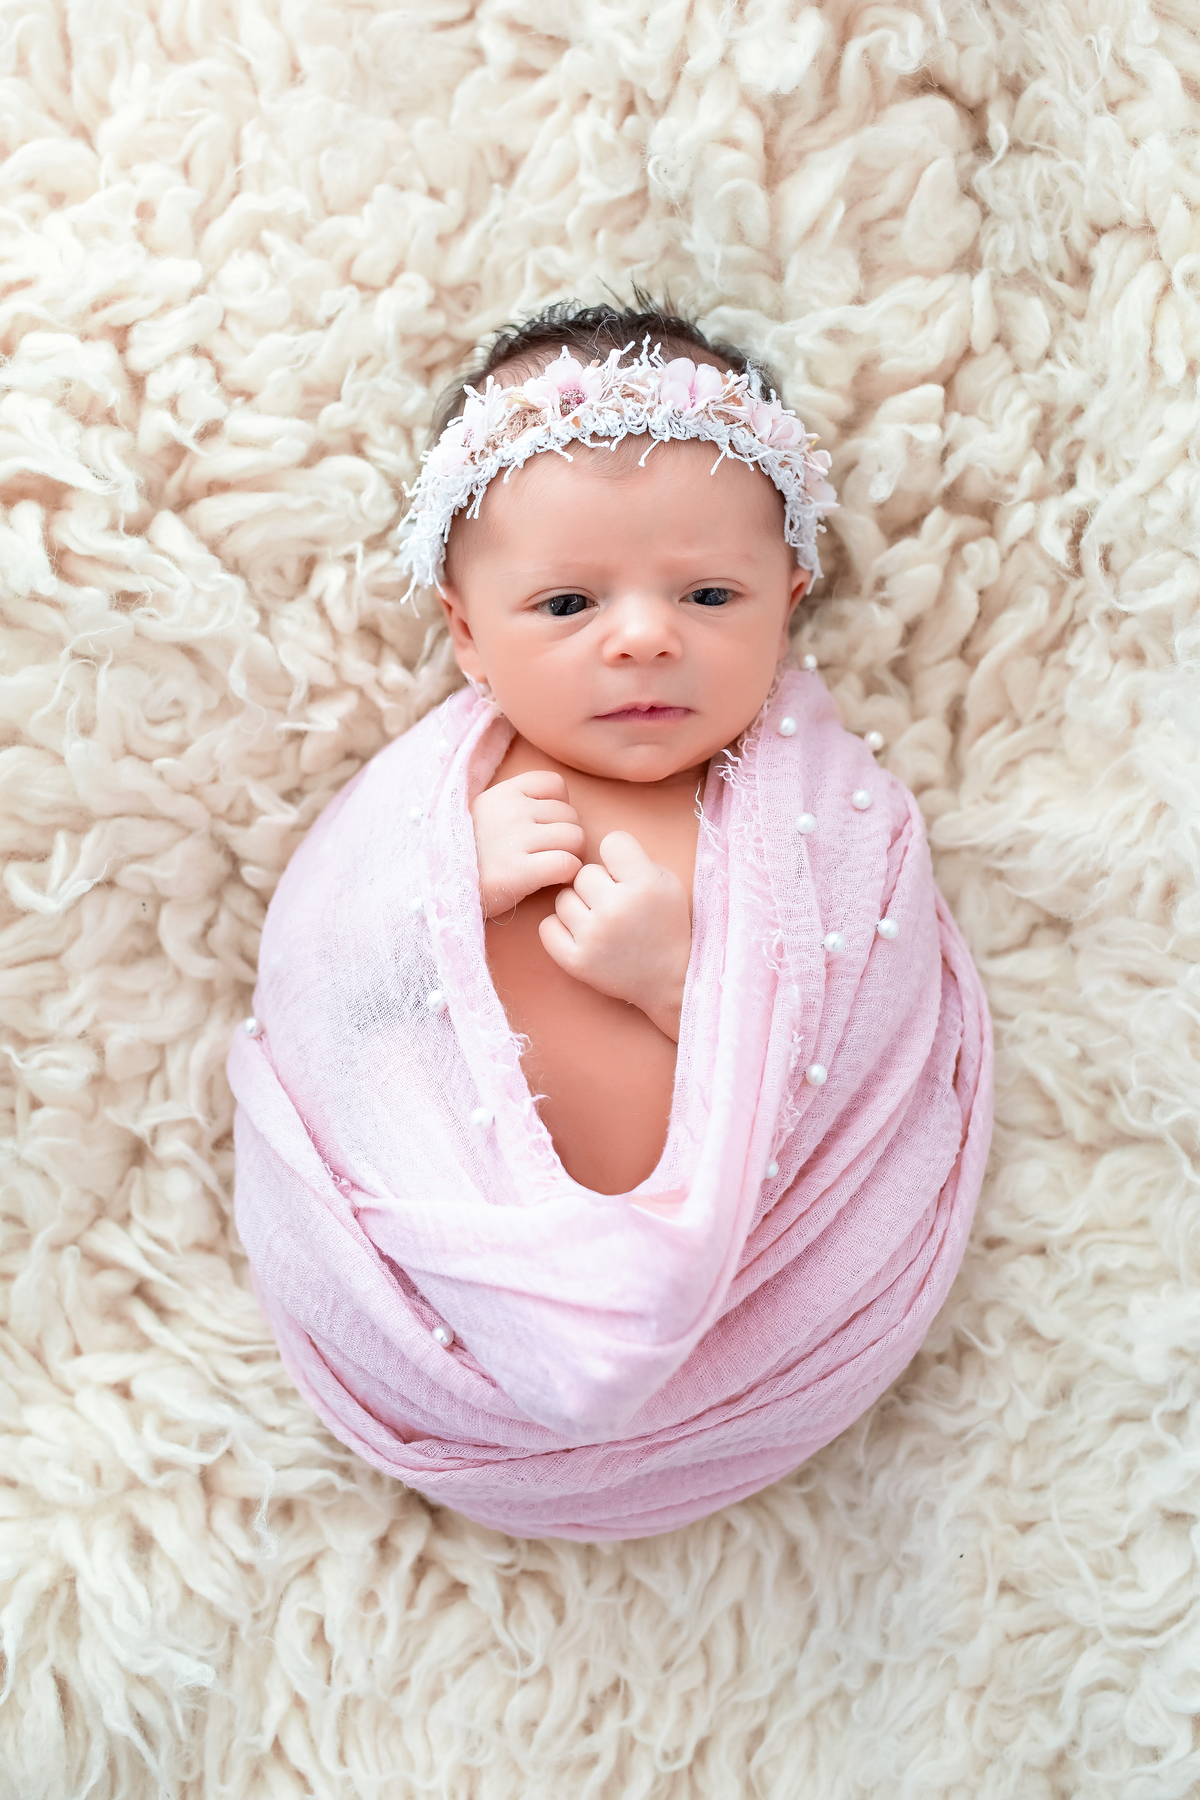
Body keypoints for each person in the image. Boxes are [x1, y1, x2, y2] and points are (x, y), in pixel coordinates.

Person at [227, 301, 993, 1540]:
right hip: (446, 1318)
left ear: (789, 599)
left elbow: (870, 1042)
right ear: (467, 633)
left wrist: (687, 984)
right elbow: (319, 997)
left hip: (749, 1326)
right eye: (568, 605)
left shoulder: (836, 819)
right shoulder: (423, 811)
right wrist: (438, 892)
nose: (643, 638)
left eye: (709, 592)